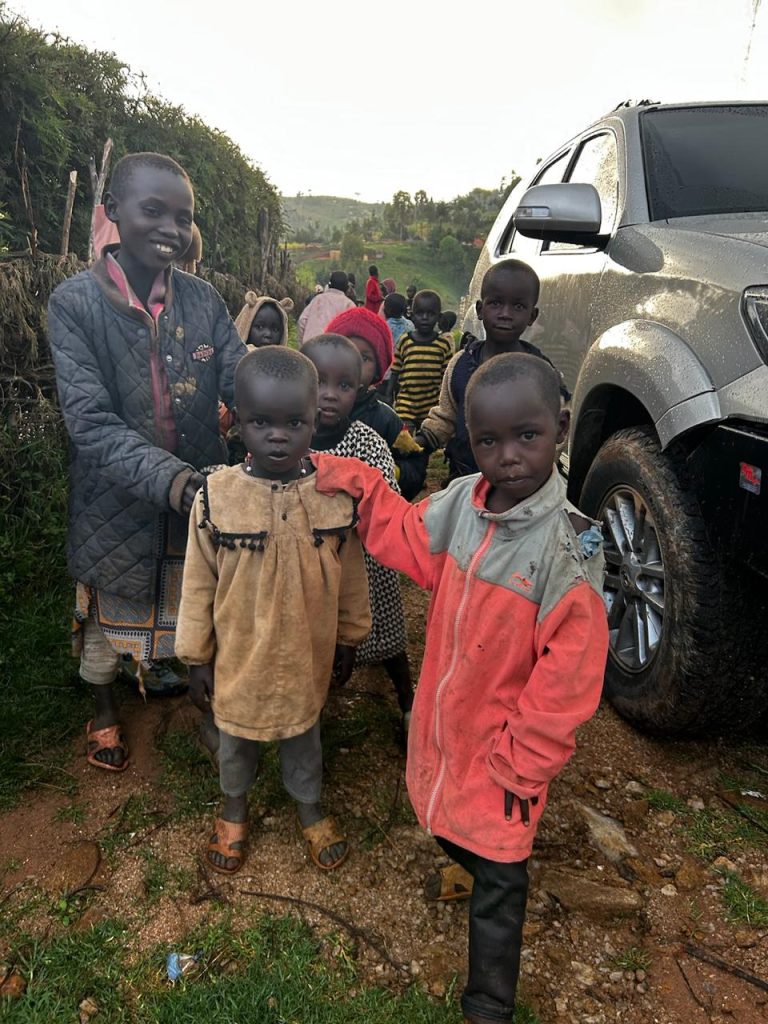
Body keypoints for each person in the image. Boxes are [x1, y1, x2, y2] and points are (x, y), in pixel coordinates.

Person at [313, 352, 609, 1024]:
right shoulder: (459, 506)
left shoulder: (569, 553)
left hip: (508, 760)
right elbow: (402, 535)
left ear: (560, 427)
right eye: (488, 441)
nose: (507, 456)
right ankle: (465, 861)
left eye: (526, 436)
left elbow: (568, 685)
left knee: (501, 879)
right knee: (449, 826)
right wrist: (351, 481)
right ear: (466, 442)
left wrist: (521, 768)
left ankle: (488, 1005)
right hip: (451, 735)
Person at [48, 151, 247, 771]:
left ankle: (198, 694)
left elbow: (240, 377)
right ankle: (105, 708)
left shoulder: (203, 299)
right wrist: (174, 480)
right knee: (111, 610)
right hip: (115, 496)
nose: (171, 228)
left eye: (182, 217)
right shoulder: (75, 304)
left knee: (195, 598)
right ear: (112, 213)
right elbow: (92, 423)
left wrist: (294, 408)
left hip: (196, 491)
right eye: (153, 210)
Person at [175, 346, 371, 875]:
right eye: (261, 422)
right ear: (237, 421)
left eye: (294, 423)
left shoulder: (333, 497)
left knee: (304, 735)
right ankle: (233, 808)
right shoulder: (216, 497)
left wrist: (350, 638)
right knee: (235, 738)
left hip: (307, 655)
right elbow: (197, 583)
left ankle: (309, 807)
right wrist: (197, 658)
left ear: (316, 421)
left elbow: (351, 574)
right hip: (238, 655)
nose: (278, 435)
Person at [302, 334, 414, 734]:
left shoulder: (366, 441)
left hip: (367, 562)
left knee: (387, 633)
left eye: (344, 386)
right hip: (312, 564)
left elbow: (388, 500)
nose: (329, 396)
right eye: (318, 382)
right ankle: (314, 715)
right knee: (320, 636)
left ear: (361, 389)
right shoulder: (287, 440)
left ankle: (406, 701)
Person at [417, 259, 570, 481]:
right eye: (496, 303)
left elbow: (556, 428)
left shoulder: (542, 373)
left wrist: (537, 470)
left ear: (532, 316)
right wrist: (421, 442)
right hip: (465, 480)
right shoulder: (460, 365)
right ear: (480, 309)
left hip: (520, 485)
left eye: (518, 306)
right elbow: (446, 416)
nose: (505, 313)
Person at [325, 307, 428, 500]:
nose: (352, 366)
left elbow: (416, 465)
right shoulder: (307, 413)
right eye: (346, 352)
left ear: (378, 369)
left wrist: (390, 472)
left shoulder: (387, 420)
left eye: (364, 358)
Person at [392, 289, 453, 431]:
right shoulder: (405, 341)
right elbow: (395, 371)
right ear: (412, 316)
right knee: (404, 443)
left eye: (431, 314)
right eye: (420, 313)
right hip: (405, 406)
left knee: (428, 445)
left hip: (431, 408)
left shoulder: (443, 345)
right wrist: (390, 396)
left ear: (439, 317)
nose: (425, 318)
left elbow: (447, 379)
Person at [297, 270, 355, 343]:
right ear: (346, 288)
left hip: (310, 346)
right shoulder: (349, 305)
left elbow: (302, 320)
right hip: (334, 349)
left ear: (329, 285)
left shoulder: (317, 299)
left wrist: (302, 345)